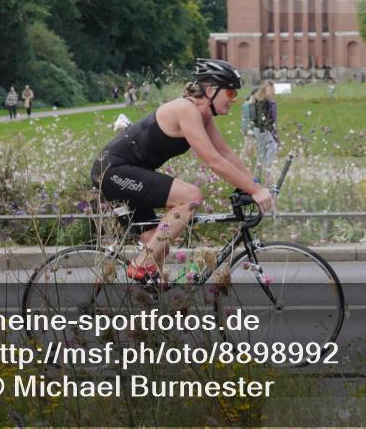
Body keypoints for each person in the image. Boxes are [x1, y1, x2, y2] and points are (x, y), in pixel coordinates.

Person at [91, 59, 273, 284]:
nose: (234, 99)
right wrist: (254, 190)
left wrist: (254, 183)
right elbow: (214, 161)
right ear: (210, 91)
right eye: (230, 92)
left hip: (131, 172)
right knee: (191, 197)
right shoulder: (185, 109)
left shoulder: (203, 114)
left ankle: (152, 312)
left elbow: (225, 153)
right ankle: (139, 266)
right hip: (112, 171)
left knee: (158, 249)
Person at [251, 81, 279, 182]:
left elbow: (272, 117)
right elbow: (261, 117)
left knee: (262, 150)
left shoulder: (267, 101)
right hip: (262, 128)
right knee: (272, 146)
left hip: (264, 128)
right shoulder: (263, 101)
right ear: (264, 90)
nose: (272, 91)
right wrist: (266, 129)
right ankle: (267, 170)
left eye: (273, 89)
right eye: (269, 89)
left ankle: (258, 176)